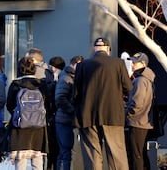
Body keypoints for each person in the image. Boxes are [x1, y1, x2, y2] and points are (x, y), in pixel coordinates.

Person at [74, 37, 133, 170]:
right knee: (117, 154)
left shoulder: (83, 65)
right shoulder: (118, 63)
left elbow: (75, 92)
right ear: (108, 49)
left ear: (95, 48)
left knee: (92, 154)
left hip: (87, 115)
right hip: (113, 115)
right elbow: (128, 87)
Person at [6, 56, 48, 170]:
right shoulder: (41, 84)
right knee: (37, 161)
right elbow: (47, 104)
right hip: (38, 127)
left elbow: (9, 105)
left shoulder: (16, 84)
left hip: (20, 126)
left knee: (20, 162)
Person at [125, 52, 155, 170]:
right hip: (144, 123)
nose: (132, 65)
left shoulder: (140, 80)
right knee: (141, 154)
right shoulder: (148, 79)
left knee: (136, 155)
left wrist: (125, 113)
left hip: (137, 123)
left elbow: (136, 104)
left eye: (134, 63)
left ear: (143, 63)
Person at [54, 55, 83, 170]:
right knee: (66, 152)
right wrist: (73, 111)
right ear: (75, 64)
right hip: (64, 120)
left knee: (66, 152)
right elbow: (60, 98)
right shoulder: (66, 78)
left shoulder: (70, 77)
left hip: (66, 119)